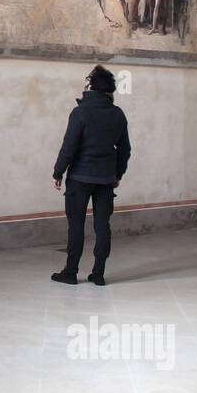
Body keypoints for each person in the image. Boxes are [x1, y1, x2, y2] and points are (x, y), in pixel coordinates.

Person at [51, 64, 132, 286]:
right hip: (106, 179)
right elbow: (125, 150)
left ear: (91, 86)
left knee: (76, 225)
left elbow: (69, 147)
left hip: (79, 178)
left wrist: (58, 172)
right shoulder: (117, 114)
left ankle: (71, 272)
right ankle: (98, 273)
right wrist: (118, 174)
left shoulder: (80, 113)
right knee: (102, 225)